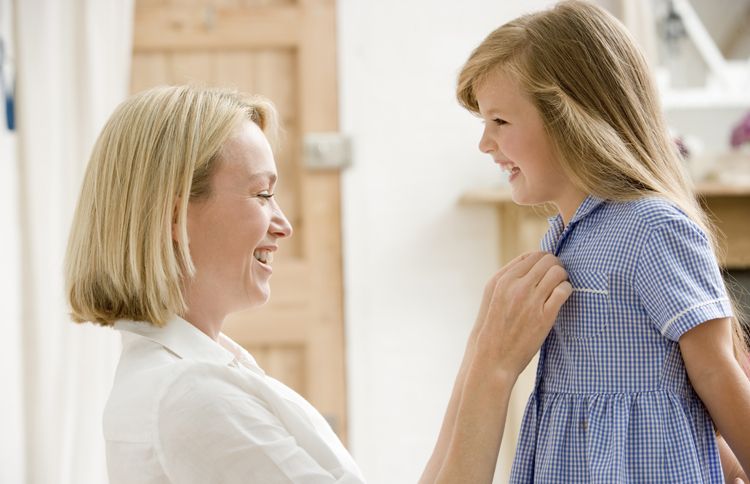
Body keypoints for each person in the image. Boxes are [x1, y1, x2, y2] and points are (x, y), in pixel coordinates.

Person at [64, 85, 573, 483]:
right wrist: (493, 368)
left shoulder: (202, 369)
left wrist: (482, 353)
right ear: (174, 217)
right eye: (261, 194)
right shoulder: (191, 398)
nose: (283, 224)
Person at [456, 1, 750, 482]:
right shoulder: (561, 237)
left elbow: (715, 375)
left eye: (500, 122)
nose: (485, 143)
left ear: (571, 118)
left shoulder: (653, 228)